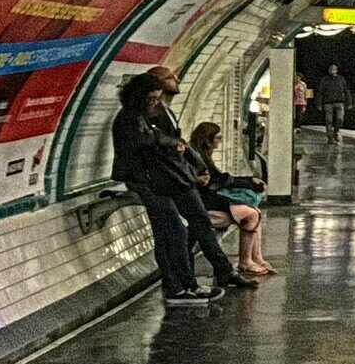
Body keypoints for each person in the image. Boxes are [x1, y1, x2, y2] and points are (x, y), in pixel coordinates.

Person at [113, 74, 241, 304]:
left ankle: (184, 285)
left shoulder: (153, 114)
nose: (155, 101)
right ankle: (181, 286)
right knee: (172, 231)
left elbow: (174, 142)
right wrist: (173, 147)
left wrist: (194, 165)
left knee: (176, 229)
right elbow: (148, 142)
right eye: (152, 98)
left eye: (157, 97)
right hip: (150, 181)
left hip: (166, 179)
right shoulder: (130, 118)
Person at [187, 122, 277, 277]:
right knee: (252, 214)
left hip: (204, 200)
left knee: (254, 212)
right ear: (207, 140)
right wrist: (247, 182)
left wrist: (248, 180)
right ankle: (246, 262)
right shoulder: (197, 158)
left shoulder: (199, 155)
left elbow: (219, 179)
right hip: (202, 204)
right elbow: (218, 180)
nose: (219, 142)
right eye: (218, 138)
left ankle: (256, 258)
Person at [316, 64, 351, 144]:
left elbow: (346, 90)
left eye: (334, 69)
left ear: (336, 70)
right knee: (328, 121)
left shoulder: (341, 79)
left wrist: (349, 102)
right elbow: (320, 91)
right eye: (331, 69)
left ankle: (335, 132)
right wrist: (319, 103)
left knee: (340, 119)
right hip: (328, 103)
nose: (332, 71)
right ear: (328, 71)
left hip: (339, 102)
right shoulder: (325, 79)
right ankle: (330, 138)